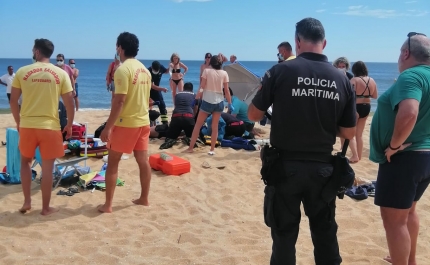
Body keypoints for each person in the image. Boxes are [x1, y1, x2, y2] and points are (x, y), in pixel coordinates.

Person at [248, 17, 356, 264]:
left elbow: (254, 115)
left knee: (284, 236)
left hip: (285, 167)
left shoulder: (280, 71)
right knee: (325, 235)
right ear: (324, 43)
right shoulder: (342, 79)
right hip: (323, 170)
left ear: (297, 41)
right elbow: (349, 133)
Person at [369, 32, 430, 265]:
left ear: (406, 53)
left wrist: (394, 146)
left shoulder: (411, 75)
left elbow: (409, 113)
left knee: (394, 220)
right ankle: (409, 260)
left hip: (405, 158)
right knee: (409, 212)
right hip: (425, 157)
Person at [10, 38, 75, 216]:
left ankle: (27, 201)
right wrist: (69, 124)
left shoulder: (22, 71)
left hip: (28, 125)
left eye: (33, 49)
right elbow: (69, 103)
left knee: (25, 162)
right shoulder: (60, 73)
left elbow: (13, 101)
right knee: (48, 169)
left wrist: (18, 122)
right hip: (50, 126)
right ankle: (45, 208)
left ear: (37, 52)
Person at [98, 32, 152, 213]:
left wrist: (108, 127)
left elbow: (119, 101)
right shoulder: (145, 70)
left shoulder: (122, 69)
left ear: (120, 48)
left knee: (113, 162)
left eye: (117, 46)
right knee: (143, 161)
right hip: (143, 121)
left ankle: (108, 205)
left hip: (126, 123)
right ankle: (144, 198)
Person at [184, 55, 233, 155]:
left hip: (207, 101)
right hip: (219, 102)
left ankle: (190, 148)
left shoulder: (206, 71)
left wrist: (197, 98)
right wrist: (230, 103)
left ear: (211, 63)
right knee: (215, 127)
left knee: (198, 125)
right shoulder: (224, 73)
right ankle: (212, 150)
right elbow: (226, 91)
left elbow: (202, 87)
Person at [347, 61, 378, 163]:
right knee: (359, 134)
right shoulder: (372, 80)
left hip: (356, 107)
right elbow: (375, 96)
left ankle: (354, 155)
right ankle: (359, 156)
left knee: (350, 133)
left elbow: (348, 95)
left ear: (354, 70)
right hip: (367, 107)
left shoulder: (354, 80)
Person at [160, 82, 196, 149]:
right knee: (191, 135)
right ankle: (188, 138)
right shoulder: (194, 95)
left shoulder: (177, 95)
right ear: (192, 89)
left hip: (176, 117)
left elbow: (176, 106)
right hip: (188, 117)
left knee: (171, 136)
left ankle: (171, 140)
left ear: (183, 88)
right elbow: (195, 109)